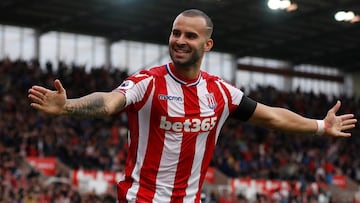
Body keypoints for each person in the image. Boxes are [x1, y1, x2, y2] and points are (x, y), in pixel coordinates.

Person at [28, 9, 357, 203]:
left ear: (207, 44)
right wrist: (68, 106)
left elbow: (270, 116)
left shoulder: (221, 93)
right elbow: (110, 102)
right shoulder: (148, 82)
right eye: (176, 33)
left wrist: (319, 126)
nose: (180, 40)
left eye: (190, 36)